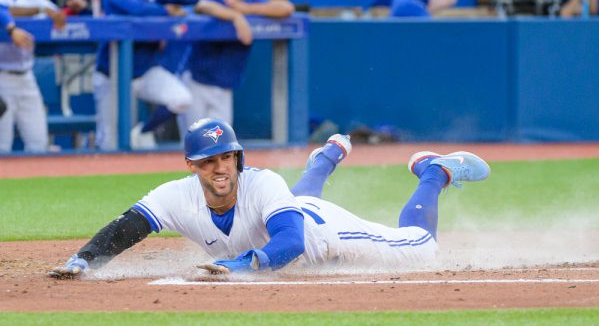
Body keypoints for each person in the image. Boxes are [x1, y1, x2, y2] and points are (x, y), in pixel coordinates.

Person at [48, 118, 491, 278]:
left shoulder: (260, 182)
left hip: (323, 235)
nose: (221, 168)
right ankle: (325, 159)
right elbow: (128, 226)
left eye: (228, 157)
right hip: (294, 208)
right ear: (191, 166)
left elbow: (292, 244)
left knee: (421, 246)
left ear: (238, 156)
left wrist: (240, 265)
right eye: (208, 161)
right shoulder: (174, 196)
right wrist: (84, 260)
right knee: (292, 198)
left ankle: (435, 172)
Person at [92, 0, 253, 150]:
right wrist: (167, 9)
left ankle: (142, 132)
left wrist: (234, 16)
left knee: (181, 99)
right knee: (109, 142)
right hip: (112, 74)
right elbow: (137, 8)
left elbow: (200, 0)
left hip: (145, 72)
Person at [180, 0, 294, 129]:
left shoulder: (252, 2)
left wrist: (244, 9)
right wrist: (235, 16)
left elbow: (286, 7)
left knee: (221, 148)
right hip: (197, 82)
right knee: (193, 146)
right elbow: (201, 6)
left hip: (224, 88)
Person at [0, 0, 84, 153]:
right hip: (1, 78)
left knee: (38, 143)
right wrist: (35, 12)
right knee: (2, 146)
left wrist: (70, 10)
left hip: (26, 76)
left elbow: (55, 16)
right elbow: (5, 11)